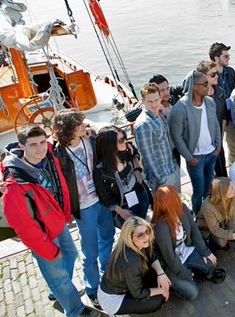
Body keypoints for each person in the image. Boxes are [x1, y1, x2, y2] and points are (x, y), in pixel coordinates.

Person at [1, 124, 100, 317]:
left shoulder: (47, 154)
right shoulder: (14, 185)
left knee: (70, 256)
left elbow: (64, 134)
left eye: (41, 142)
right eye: (33, 145)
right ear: (22, 146)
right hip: (43, 234)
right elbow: (24, 228)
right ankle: (75, 309)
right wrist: (47, 249)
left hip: (58, 222)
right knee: (58, 274)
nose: (40, 148)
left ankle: (58, 291)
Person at [52, 109, 114, 308]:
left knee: (108, 237)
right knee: (90, 251)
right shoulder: (58, 152)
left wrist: (91, 130)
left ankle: (106, 272)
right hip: (84, 207)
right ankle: (92, 288)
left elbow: (102, 131)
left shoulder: (90, 139)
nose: (83, 125)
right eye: (79, 124)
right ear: (69, 129)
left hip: (101, 200)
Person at [170, 71, 222, 216]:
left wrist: (218, 147)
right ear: (194, 87)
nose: (208, 86)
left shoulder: (210, 102)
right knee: (198, 191)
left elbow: (216, 125)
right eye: (205, 84)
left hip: (211, 153)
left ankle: (208, 214)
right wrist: (189, 157)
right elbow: (177, 136)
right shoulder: (180, 108)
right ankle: (198, 216)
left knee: (208, 189)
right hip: (196, 158)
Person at [151, 185, 217, 300]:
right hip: (172, 263)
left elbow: (194, 230)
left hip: (186, 250)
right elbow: (170, 256)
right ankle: (173, 285)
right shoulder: (161, 227)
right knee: (192, 293)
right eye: (176, 196)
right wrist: (185, 274)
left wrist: (204, 251)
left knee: (212, 263)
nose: (180, 196)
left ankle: (191, 272)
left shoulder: (182, 208)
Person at [98, 217, 170, 315]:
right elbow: (138, 293)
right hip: (113, 299)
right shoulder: (132, 261)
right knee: (158, 300)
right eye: (140, 235)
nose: (146, 237)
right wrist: (161, 290)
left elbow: (151, 255)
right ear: (130, 237)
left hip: (126, 283)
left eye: (147, 230)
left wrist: (161, 273)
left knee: (159, 265)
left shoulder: (135, 244)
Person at [94, 126, 149, 228]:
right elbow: (104, 195)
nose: (125, 141)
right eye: (121, 140)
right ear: (110, 145)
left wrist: (137, 169)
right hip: (123, 205)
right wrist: (120, 212)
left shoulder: (126, 149)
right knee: (132, 234)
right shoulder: (101, 170)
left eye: (124, 137)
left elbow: (135, 153)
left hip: (140, 194)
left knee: (143, 225)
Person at [134, 82, 180, 193]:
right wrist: (161, 181)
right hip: (162, 178)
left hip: (172, 169)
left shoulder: (158, 116)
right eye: (150, 101)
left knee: (178, 207)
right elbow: (148, 156)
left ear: (160, 99)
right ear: (143, 101)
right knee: (167, 210)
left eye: (156, 100)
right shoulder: (144, 124)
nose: (154, 104)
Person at [197, 177, 235, 250]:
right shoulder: (208, 207)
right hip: (207, 227)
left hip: (222, 222)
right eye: (231, 188)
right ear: (223, 193)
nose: (234, 189)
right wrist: (234, 236)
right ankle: (210, 244)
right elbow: (215, 229)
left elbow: (231, 218)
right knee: (222, 243)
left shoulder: (233, 196)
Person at [195, 60, 228, 177]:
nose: (217, 77)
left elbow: (224, 116)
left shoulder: (220, 93)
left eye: (217, 73)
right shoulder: (196, 97)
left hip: (217, 141)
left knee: (222, 173)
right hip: (202, 146)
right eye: (213, 75)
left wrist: (221, 135)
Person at [209, 42, 235, 166]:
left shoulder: (230, 72)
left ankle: (234, 173)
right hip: (217, 116)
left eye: (228, 56)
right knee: (217, 145)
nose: (228, 58)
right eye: (225, 56)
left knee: (233, 145)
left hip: (230, 113)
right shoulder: (209, 74)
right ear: (216, 58)